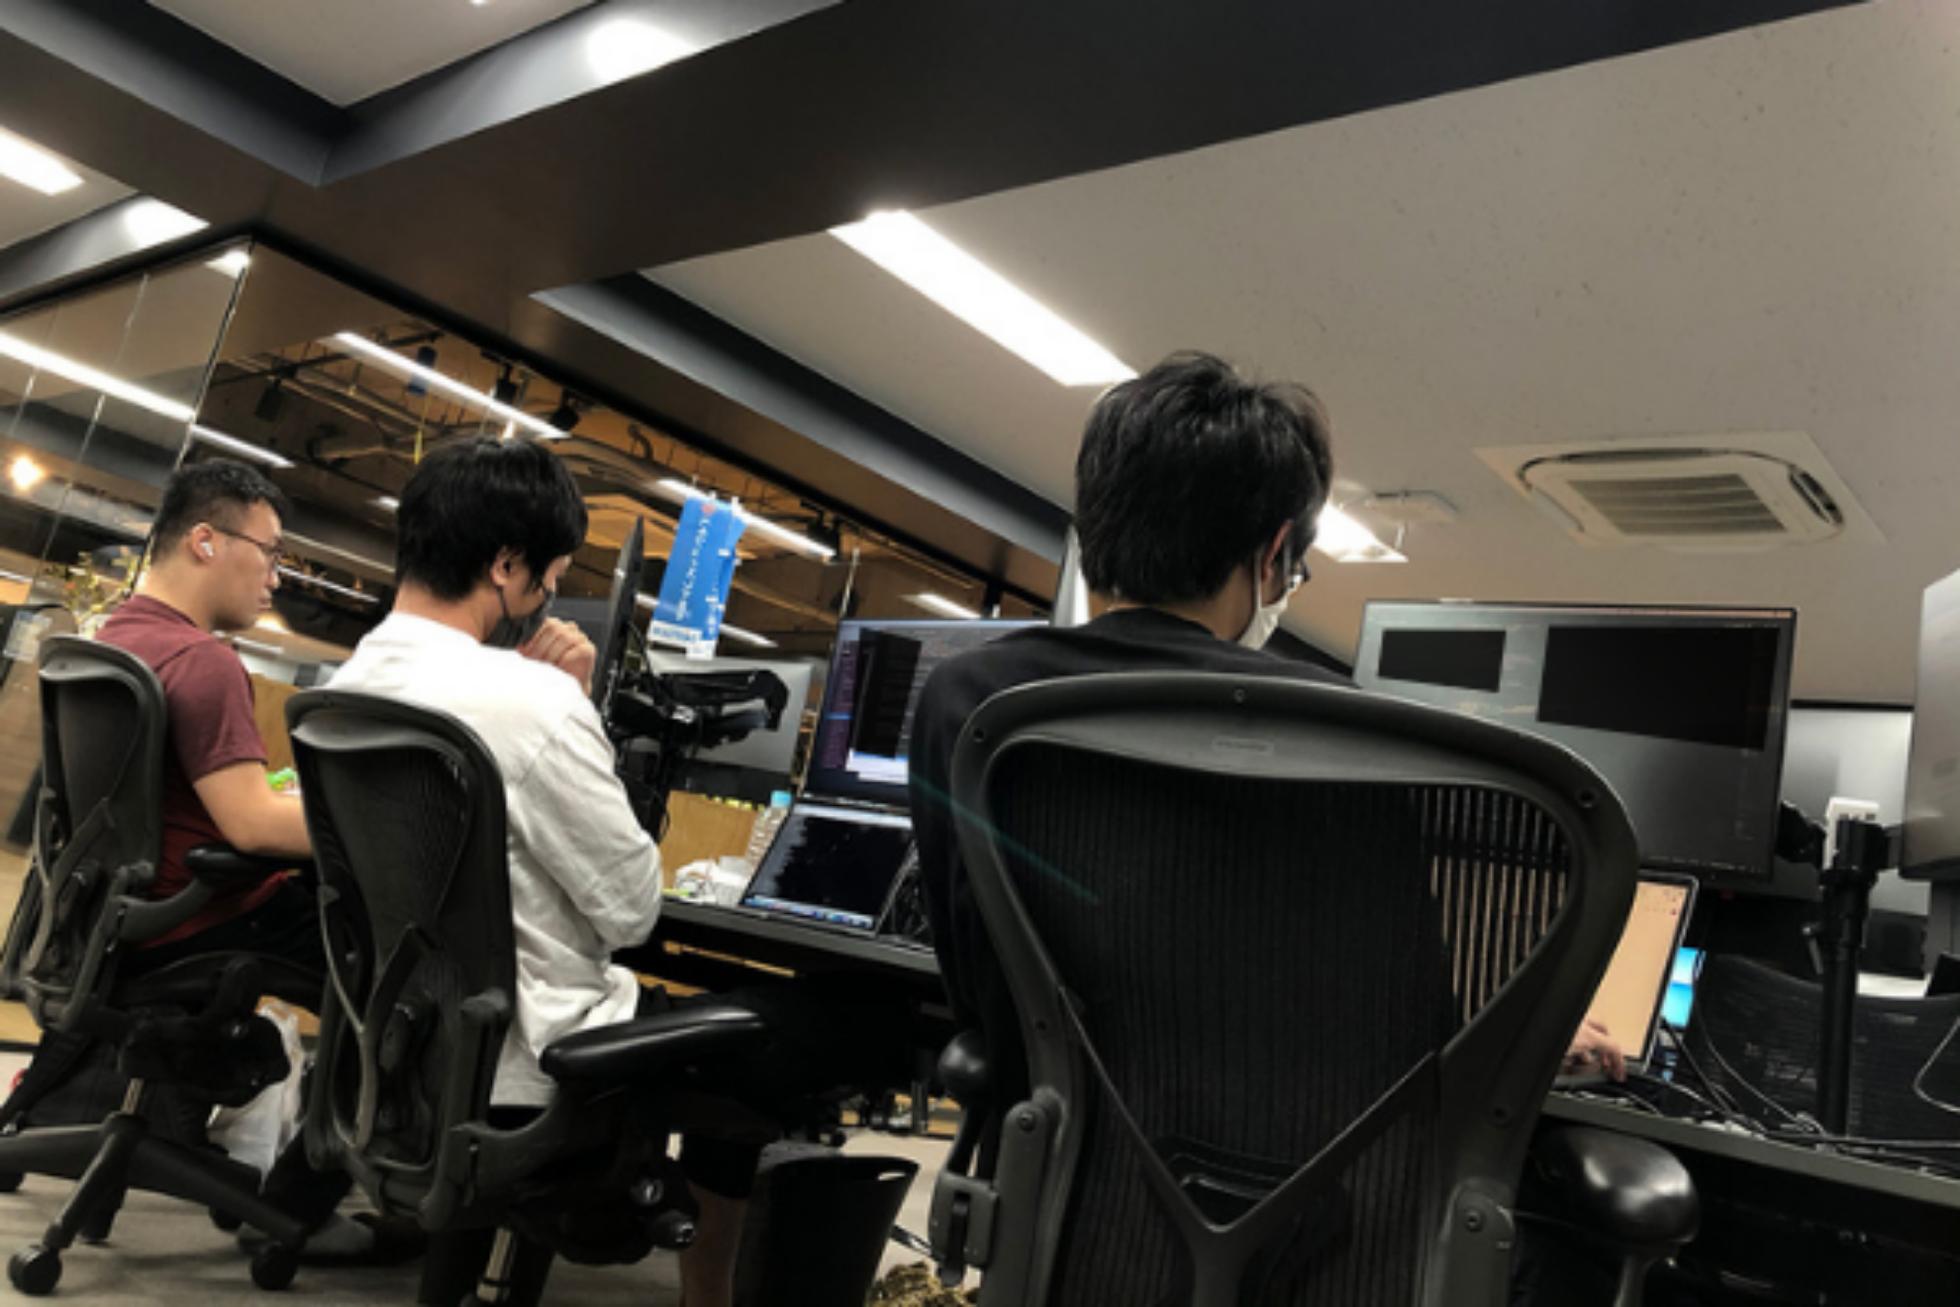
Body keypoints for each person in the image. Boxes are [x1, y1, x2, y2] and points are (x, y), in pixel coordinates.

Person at [905, 352, 1620, 1287]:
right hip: (1311, 1259)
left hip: (1068, 1226)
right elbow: (1405, 1047)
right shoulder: (1357, 742)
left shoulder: (974, 702)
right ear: (1275, 551)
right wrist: (1525, 1032)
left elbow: (985, 985)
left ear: (1094, 524)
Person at [330, 437, 904, 1307]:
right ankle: (712, 1292)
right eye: (549, 578)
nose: (547, 599)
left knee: (735, 1024)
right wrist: (574, 706)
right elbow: (632, 908)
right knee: (822, 1024)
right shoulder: (533, 702)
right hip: (542, 1060)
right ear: (505, 565)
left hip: (409, 1052)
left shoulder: (349, 686)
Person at [14, 459, 394, 1258]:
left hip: (109, 923)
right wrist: (374, 824)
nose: (277, 576)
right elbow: (251, 826)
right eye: (271, 551)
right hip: (202, 920)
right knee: (394, 985)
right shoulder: (206, 661)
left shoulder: (112, 640)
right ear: (205, 541)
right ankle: (297, 1208)